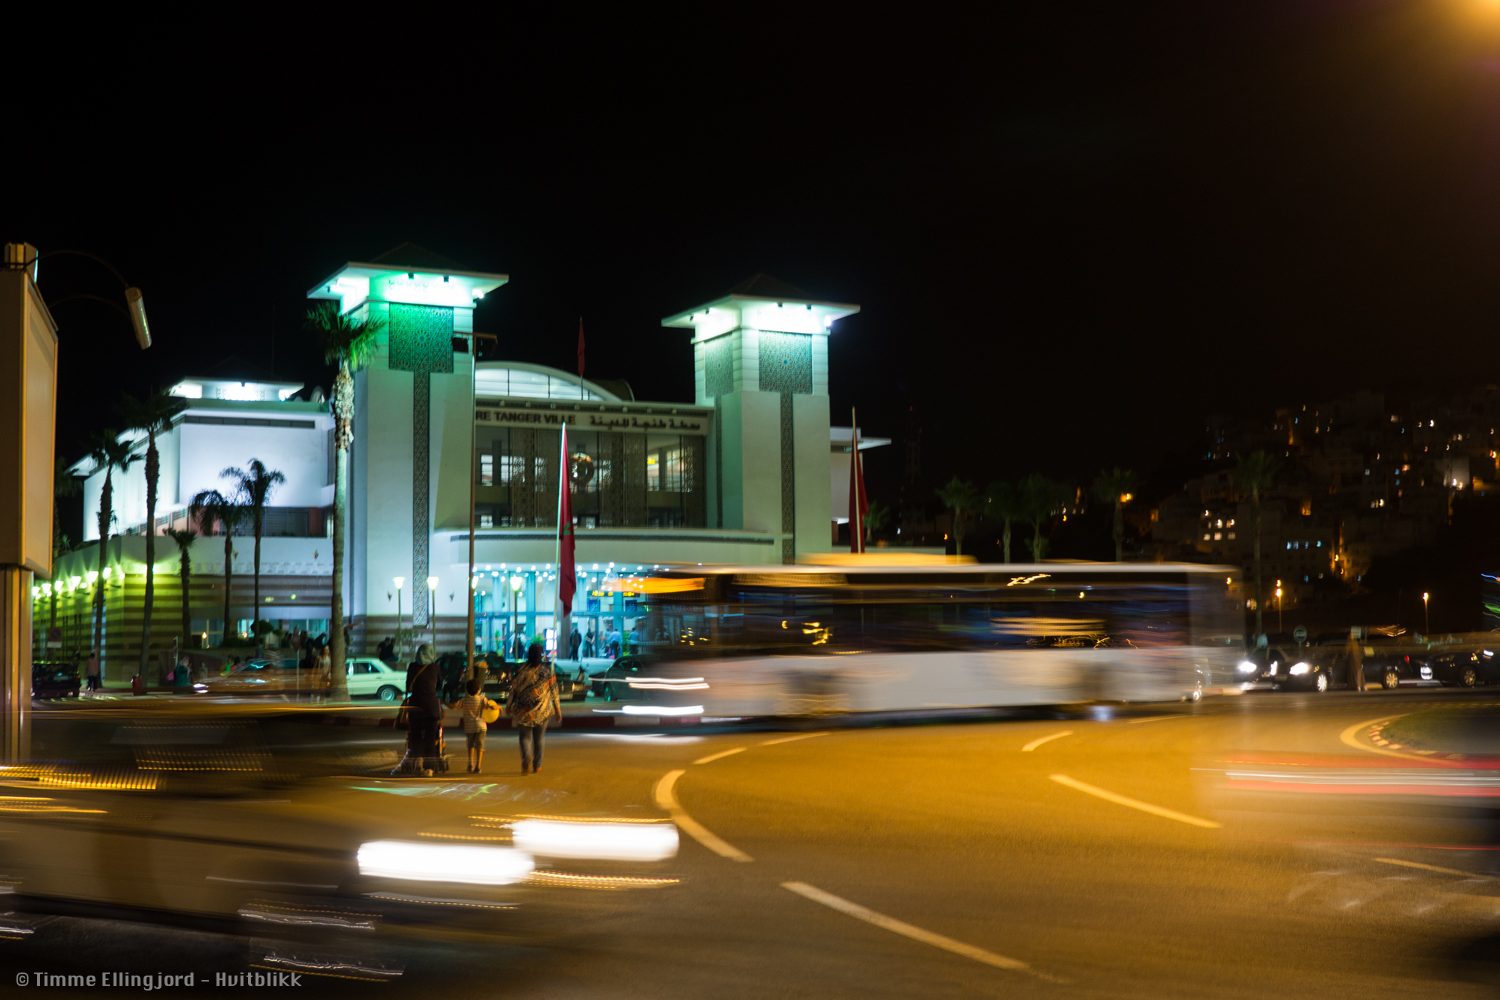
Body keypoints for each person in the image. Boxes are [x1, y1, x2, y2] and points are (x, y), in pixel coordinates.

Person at [507, 643, 561, 775]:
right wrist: (558, 709)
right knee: (539, 738)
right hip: (542, 711)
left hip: (523, 710)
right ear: (541, 655)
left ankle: (526, 757)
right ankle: (537, 765)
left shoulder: (521, 670)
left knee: (525, 737)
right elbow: (554, 690)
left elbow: (513, 689)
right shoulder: (547, 671)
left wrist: (508, 705)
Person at [397, 643, 444, 776]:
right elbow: (439, 685)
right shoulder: (435, 667)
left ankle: (417, 760)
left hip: (415, 706)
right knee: (430, 737)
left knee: (415, 736)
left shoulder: (412, 666)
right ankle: (429, 768)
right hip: (430, 706)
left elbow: (408, 685)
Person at [457, 678, 494, 773]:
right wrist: (497, 707)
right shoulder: (482, 699)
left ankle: (470, 764)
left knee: (470, 746)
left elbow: (456, 706)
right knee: (480, 746)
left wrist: (445, 702)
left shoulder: (464, 700)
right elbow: (489, 706)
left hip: (469, 727)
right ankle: (478, 766)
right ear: (479, 690)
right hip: (480, 726)